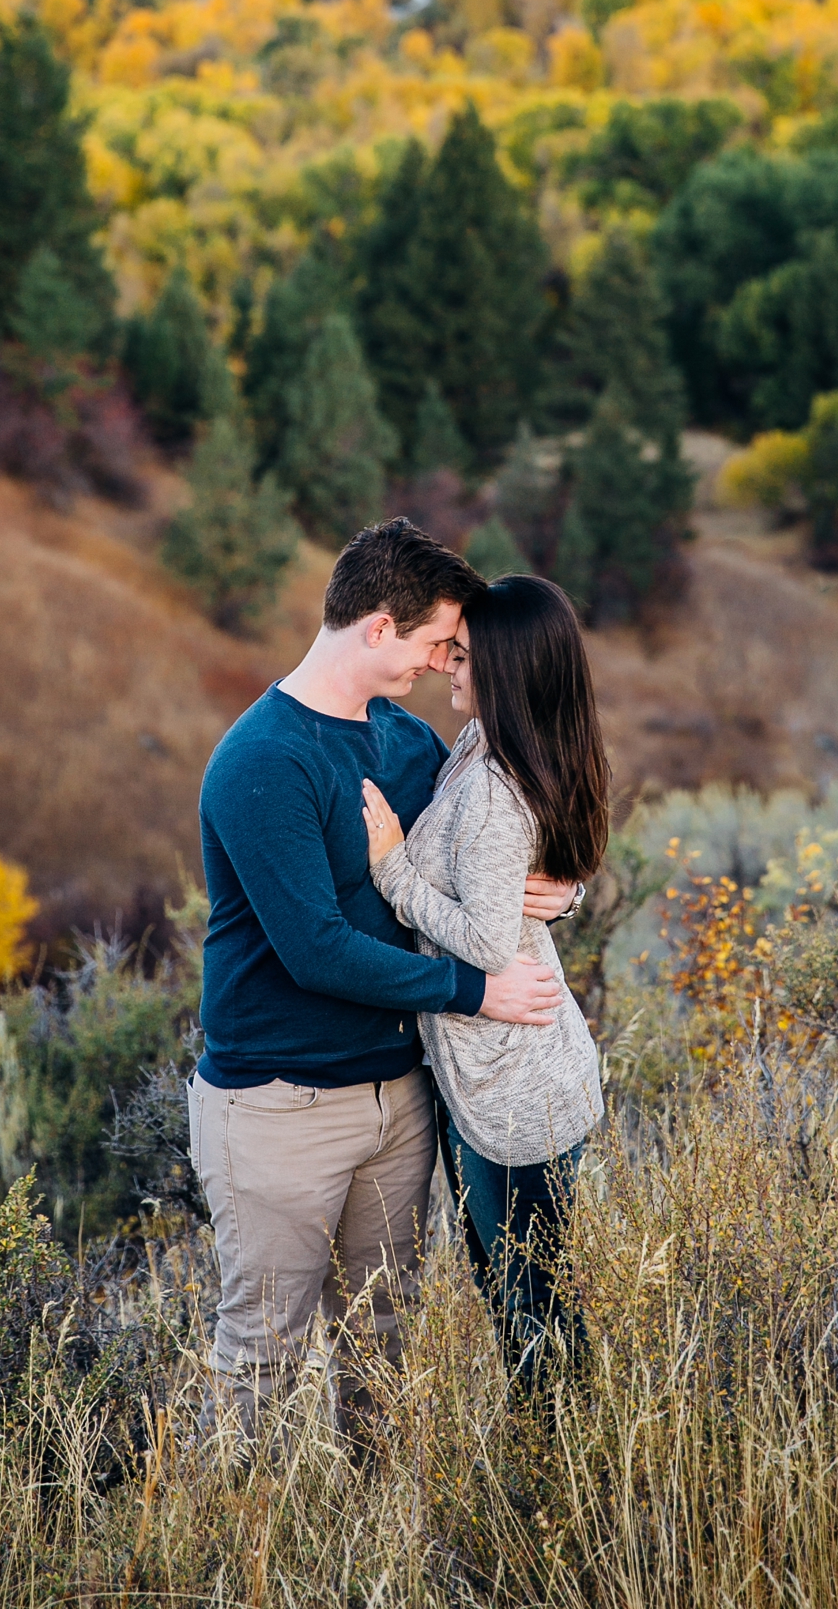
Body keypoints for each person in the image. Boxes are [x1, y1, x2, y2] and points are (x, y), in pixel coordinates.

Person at [190, 519, 578, 1436]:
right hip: (278, 1105)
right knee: (264, 1355)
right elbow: (315, 949)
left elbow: (496, 848)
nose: (449, 663)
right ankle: (246, 1555)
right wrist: (474, 992)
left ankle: (376, 1547)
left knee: (385, 1345)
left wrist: (562, 896)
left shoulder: (407, 745)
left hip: (401, 1098)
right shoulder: (262, 762)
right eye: (439, 641)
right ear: (378, 629)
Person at [361, 574, 608, 1387]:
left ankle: (560, 1468)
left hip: (511, 1092)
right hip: (500, 1071)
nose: (447, 669)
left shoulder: (498, 791)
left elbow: (488, 942)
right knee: (521, 1299)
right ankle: (557, 1453)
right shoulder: (481, 748)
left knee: (530, 1311)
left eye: (462, 657)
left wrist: (394, 871)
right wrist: (563, 895)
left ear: (503, 671)